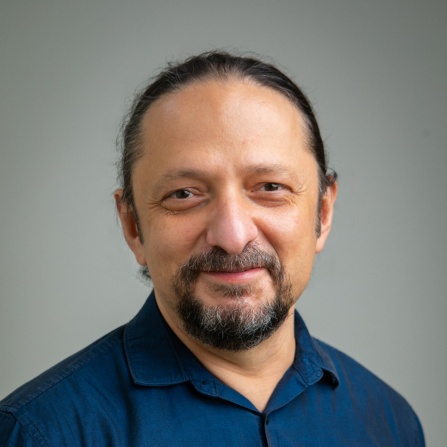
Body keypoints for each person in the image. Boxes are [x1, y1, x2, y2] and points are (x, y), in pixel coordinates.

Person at [0, 51, 424, 446]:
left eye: (270, 187)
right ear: (132, 226)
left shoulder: (390, 423)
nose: (233, 235)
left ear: (323, 212)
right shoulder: (40, 434)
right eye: (184, 194)